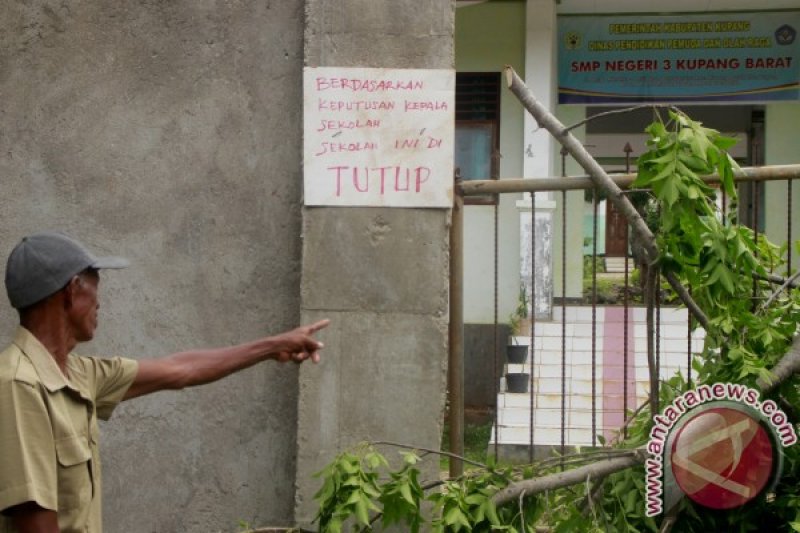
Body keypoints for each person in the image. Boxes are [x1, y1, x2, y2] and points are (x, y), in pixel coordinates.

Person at [0, 231, 329, 533]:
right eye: (94, 283)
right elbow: (35, 525)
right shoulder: (20, 385)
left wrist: (273, 346)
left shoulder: (78, 375)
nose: (100, 302)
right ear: (72, 292)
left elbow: (181, 369)